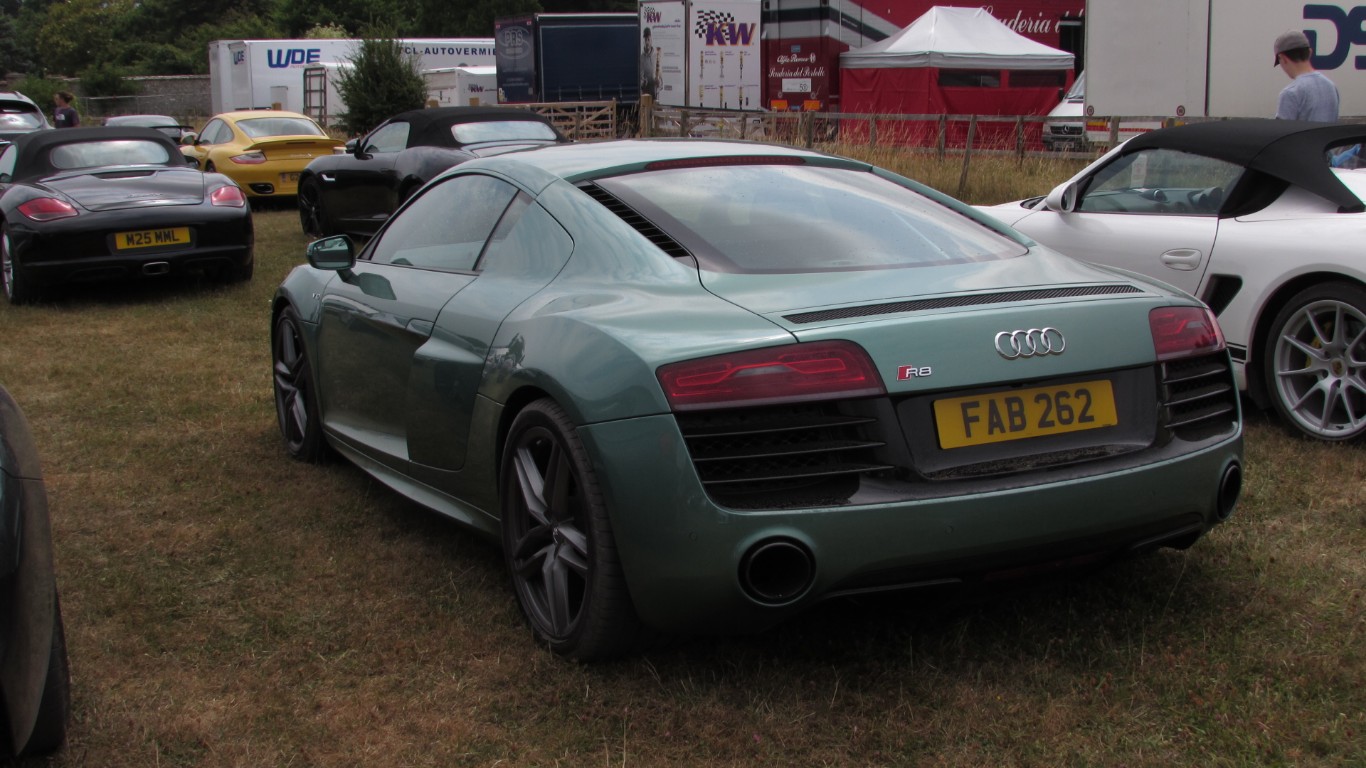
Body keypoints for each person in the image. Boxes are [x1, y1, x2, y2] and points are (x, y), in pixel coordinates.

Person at [1273, 30, 1339, 122]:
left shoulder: (1290, 93)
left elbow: (1282, 133)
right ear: (1310, 52)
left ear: (1282, 58)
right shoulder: (1330, 86)